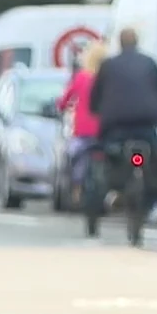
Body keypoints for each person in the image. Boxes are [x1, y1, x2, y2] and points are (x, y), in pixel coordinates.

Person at [89, 28, 157, 223]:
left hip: (116, 127)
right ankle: (155, 199)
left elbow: (96, 96)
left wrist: (97, 111)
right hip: (146, 125)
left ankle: (108, 194)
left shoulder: (108, 65)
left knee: (104, 157)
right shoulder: (150, 63)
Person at [58, 41, 107, 218]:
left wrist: (61, 106)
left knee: (74, 158)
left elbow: (65, 100)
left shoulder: (81, 77)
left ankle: (76, 191)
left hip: (83, 130)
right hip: (104, 130)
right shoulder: (107, 78)